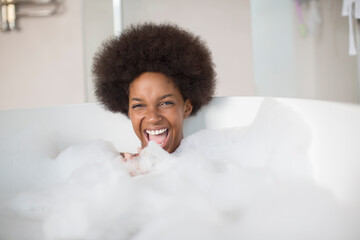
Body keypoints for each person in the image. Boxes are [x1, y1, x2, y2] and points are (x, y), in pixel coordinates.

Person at [92, 22, 216, 160]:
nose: (153, 117)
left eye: (165, 103)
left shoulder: (210, 166)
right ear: (130, 113)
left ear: (186, 108)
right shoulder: (115, 168)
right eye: (139, 106)